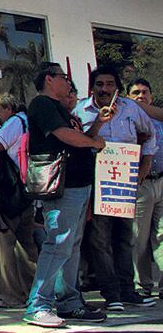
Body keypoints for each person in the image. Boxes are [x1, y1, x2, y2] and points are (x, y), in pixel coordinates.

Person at [23, 63, 108, 328]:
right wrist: (94, 142)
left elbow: (77, 136)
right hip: (64, 186)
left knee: (69, 247)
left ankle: (69, 301)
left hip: (78, 185)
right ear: (49, 79)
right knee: (58, 244)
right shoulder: (42, 104)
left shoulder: (62, 109)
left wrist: (98, 125)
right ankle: (38, 305)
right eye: (64, 77)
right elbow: (65, 136)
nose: (68, 83)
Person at [73, 67, 157, 312]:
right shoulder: (80, 110)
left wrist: (146, 164)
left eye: (110, 84)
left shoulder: (131, 108)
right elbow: (81, 141)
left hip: (124, 181)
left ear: (117, 87)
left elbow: (149, 134)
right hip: (97, 181)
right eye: (100, 84)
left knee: (124, 237)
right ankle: (111, 294)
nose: (104, 89)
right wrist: (99, 123)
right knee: (100, 239)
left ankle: (127, 290)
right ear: (92, 87)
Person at [0, 93, 37, 308]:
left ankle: (9, 295)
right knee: (27, 245)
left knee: (4, 242)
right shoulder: (30, 121)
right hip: (28, 188)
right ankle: (33, 291)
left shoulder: (15, 122)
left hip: (10, 190)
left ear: (8, 108)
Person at [127, 78, 163, 300]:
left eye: (144, 92)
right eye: (135, 93)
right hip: (140, 183)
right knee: (139, 237)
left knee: (161, 236)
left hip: (162, 181)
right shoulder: (128, 121)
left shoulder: (160, 120)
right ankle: (143, 286)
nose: (141, 96)